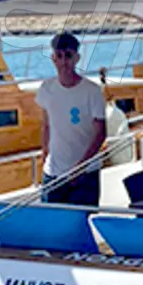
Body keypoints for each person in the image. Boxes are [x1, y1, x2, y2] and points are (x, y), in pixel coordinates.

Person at [35, 32, 108, 206]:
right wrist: (44, 156)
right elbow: (46, 125)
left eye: (68, 55)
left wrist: (80, 168)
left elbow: (100, 133)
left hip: (85, 175)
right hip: (54, 174)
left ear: (77, 58)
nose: (63, 62)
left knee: (82, 220)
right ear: (53, 58)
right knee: (52, 221)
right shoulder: (46, 89)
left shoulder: (92, 91)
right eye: (59, 56)